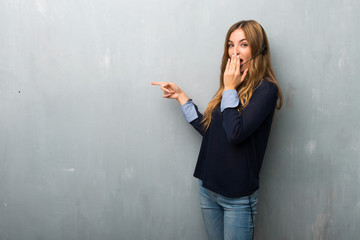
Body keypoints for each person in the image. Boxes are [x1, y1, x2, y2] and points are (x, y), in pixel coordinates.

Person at [152, 20, 282, 240]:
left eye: (243, 44)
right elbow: (211, 132)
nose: (234, 51)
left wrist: (229, 88)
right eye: (230, 45)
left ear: (258, 49)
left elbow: (234, 134)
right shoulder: (233, 85)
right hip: (208, 189)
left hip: (237, 198)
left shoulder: (266, 90)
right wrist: (182, 97)